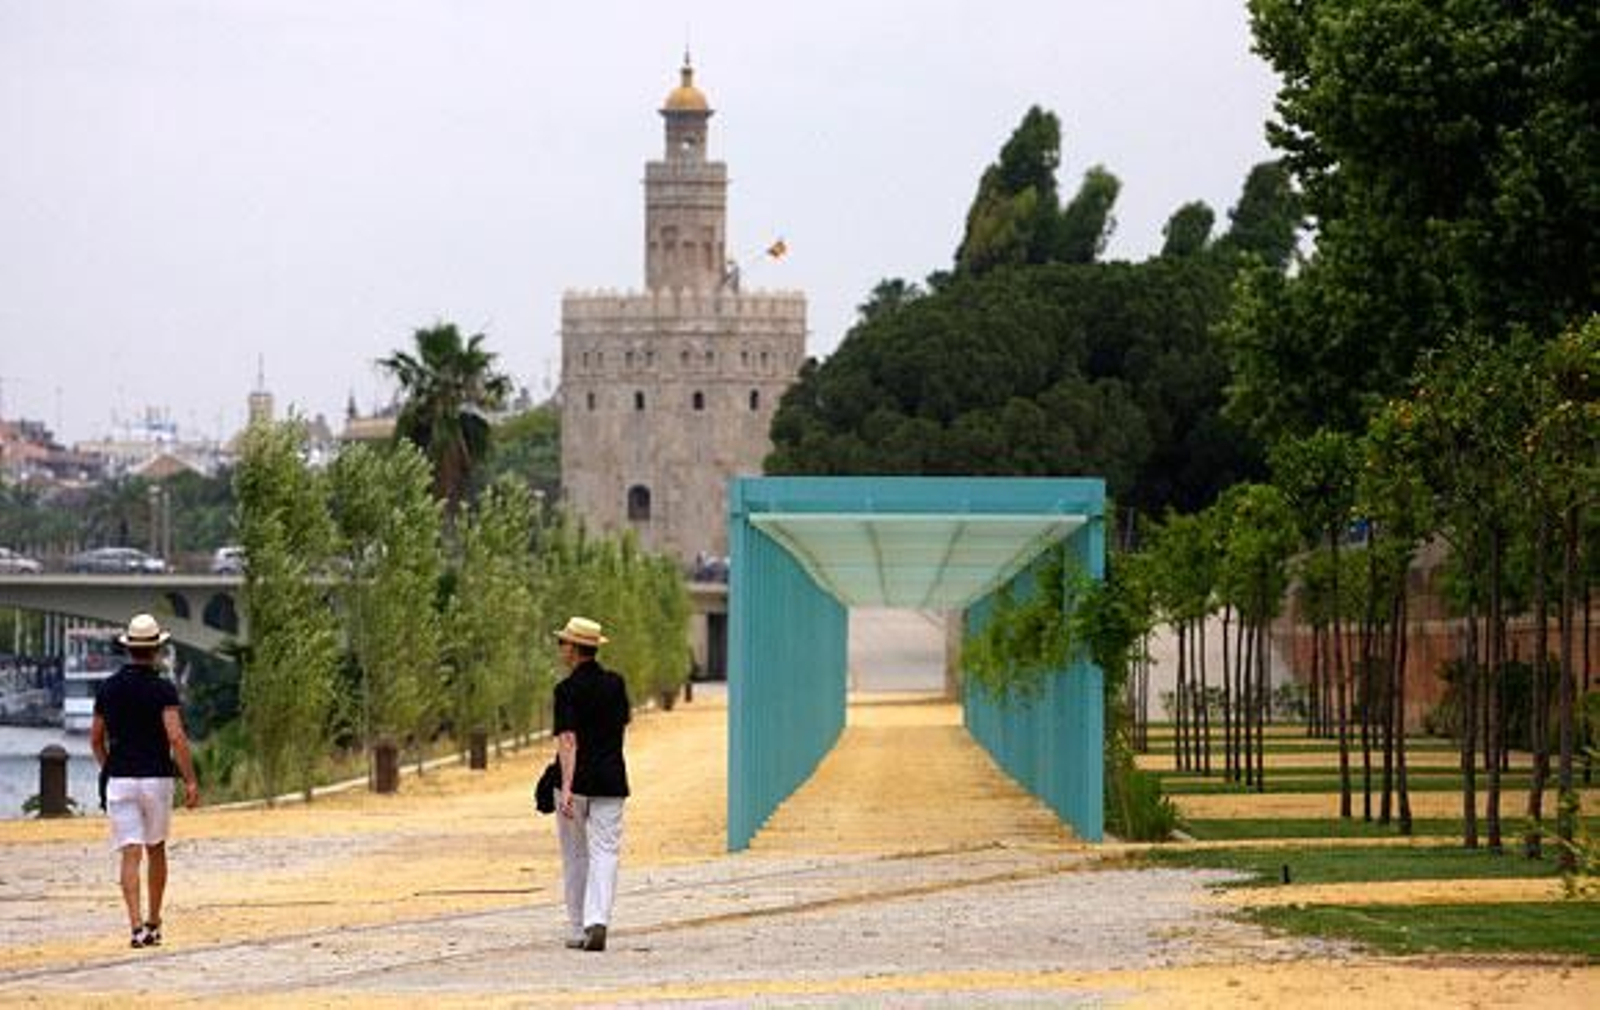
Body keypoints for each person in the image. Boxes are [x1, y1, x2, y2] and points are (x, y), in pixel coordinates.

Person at [90, 613, 200, 949]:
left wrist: (110, 767)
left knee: (129, 854)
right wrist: (191, 780)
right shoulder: (163, 689)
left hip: (120, 780)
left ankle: (135, 927)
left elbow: (96, 738)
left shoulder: (107, 688)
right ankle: (154, 922)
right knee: (156, 849)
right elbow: (176, 737)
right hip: (156, 779)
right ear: (156, 650)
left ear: (129, 649)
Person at [552, 616, 630, 952]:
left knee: (575, 854)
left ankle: (577, 925)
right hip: (611, 779)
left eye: (563, 643)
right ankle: (597, 919)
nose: (560, 648)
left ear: (573, 649)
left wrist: (567, 787)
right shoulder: (616, 684)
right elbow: (622, 726)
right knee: (606, 851)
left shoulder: (565, 690)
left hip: (576, 780)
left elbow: (568, 740)